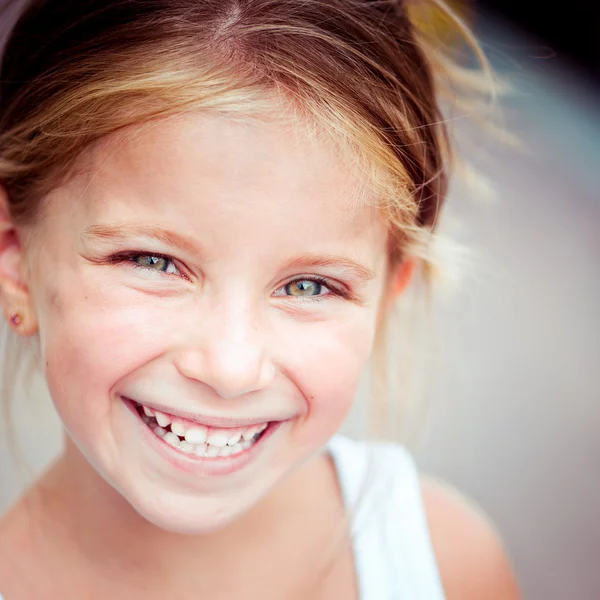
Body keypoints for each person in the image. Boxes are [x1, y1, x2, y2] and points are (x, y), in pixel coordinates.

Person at [0, 1, 521, 598]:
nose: (231, 367)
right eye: (154, 261)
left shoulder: (447, 563)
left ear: (385, 299)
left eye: (310, 286)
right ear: (15, 253)